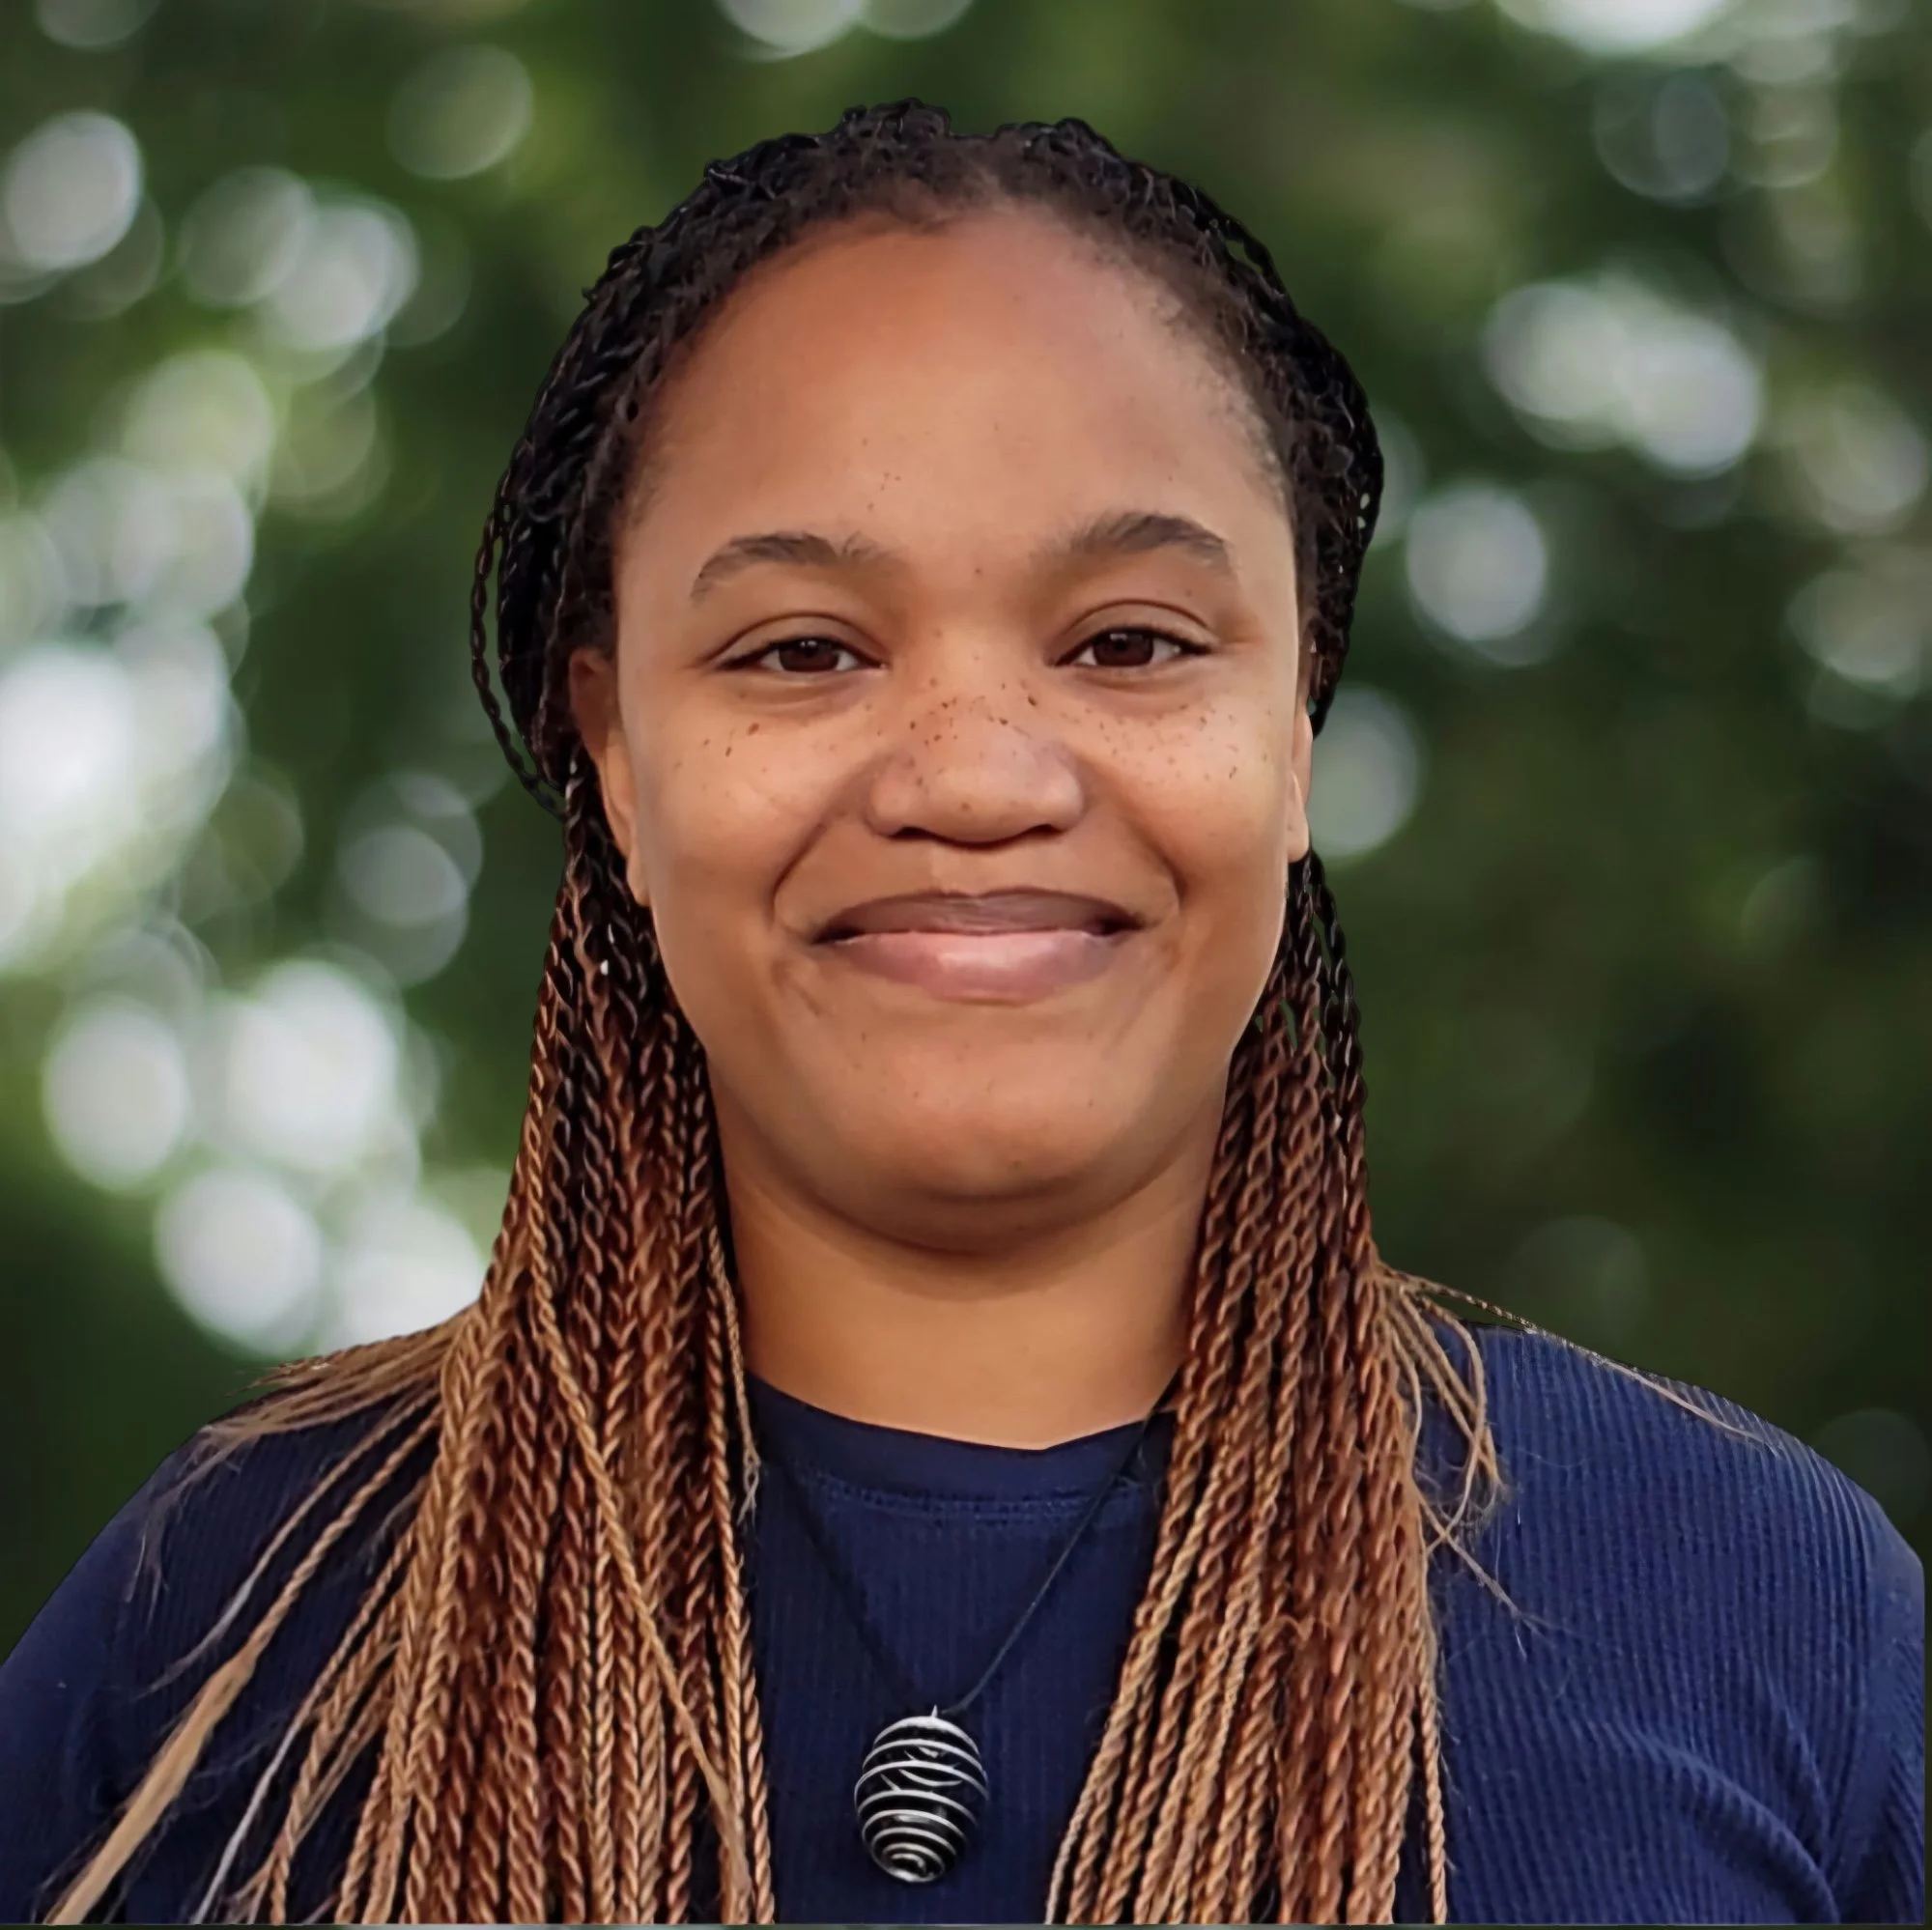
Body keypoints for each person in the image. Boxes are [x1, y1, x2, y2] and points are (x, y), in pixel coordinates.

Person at [0, 99, 1920, 1927]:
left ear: (1295, 728)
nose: (978, 776)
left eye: (1130, 644)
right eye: (804, 651)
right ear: (621, 758)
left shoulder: (1754, 1612)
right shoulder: (234, 1620)